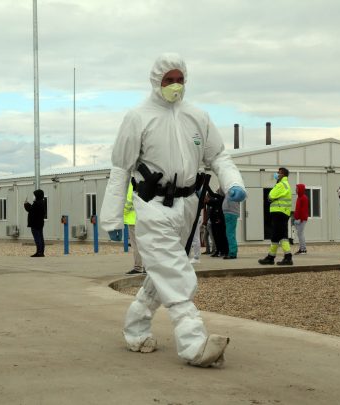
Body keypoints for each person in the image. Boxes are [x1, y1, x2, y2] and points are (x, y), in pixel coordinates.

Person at [100, 53, 246, 367]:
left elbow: (218, 156)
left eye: (180, 79)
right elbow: (120, 168)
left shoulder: (198, 116)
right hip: (153, 206)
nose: (175, 85)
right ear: (157, 81)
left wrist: (233, 182)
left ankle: (136, 329)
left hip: (188, 206)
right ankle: (194, 344)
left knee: (166, 269)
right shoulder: (138, 117)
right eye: (169, 80)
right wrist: (111, 217)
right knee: (174, 271)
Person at [258, 167, 293, 265]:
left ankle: (287, 257)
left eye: (278, 172)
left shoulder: (281, 184)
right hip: (281, 212)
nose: (276, 174)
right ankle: (271, 257)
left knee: (280, 235)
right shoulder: (283, 184)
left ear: (283, 175)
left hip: (279, 212)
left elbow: (271, 195)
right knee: (277, 236)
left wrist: (270, 197)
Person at [124, 183, 145, 274]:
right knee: (144, 244)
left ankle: (138, 267)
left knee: (136, 245)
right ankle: (146, 267)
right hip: (143, 218)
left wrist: (123, 213)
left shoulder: (132, 183)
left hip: (133, 220)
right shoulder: (142, 181)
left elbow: (129, 200)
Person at [206, 187, 228, 257]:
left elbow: (221, 210)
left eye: (218, 190)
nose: (217, 191)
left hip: (220, 220)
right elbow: (212, 196)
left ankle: (224, 251)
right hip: (214, 220)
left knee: (221, 237)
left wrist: (220, 218)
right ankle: (218, 251)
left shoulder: (222, 198)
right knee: (216, 237)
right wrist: (206, 186)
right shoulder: (218, 198)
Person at [24, 189, 46, 257]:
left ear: (37, 195)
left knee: (37, 238)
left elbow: (30, 210)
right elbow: (33, 209)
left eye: (35, 195)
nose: (34, 196)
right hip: (40, 223)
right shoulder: (42, 202)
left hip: (35, 223)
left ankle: (39, 252)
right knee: (41, 238)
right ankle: (41, 252)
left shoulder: (37, 203)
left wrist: (26, 204)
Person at [222, 189, 240, 259]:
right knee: (231, 233)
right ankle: (233, 251)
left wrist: (226, 187)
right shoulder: (234, 190)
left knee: (230, 234)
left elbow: (230, 192)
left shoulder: (232, 189)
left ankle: (232, 253)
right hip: (230, 213)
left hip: (230, 213)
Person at [293, 183, 309, 255]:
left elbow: (304, 210)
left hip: (302, 219)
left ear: (300, 189)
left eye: (297, 189)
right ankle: (301, 248)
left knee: (300, 234)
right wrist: (295, 217)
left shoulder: (304, 198)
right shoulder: (299, 198)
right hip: (299, 219)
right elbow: (297, 209)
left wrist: (300, 219)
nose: (295, 190)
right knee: (299, 234)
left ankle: (303, 249)